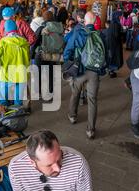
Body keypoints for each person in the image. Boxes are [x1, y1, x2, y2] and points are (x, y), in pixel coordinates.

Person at [63, 11, 104, 140]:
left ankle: (72, 116)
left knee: (75, 93)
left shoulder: (79, 32)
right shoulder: (100, 35)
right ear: (95, 21)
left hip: (79, 69)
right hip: (94, 71)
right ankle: (90, 130)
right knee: (92, 100)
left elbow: (68, 50)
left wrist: (67, 62)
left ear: (84, 21)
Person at [0, 20, 30, 107]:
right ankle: (17, 115)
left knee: (3, 100)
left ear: (5, 30)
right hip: (21, 75)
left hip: (5, 75)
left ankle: (4, 115)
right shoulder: (24, 43)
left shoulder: (1, 44)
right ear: (16, 29)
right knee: (18, 100)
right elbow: (27, 59)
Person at [32, 11, 64, 96]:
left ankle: (38, 92)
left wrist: (31, 55)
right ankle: (51, 92)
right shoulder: (59, 28)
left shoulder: (41, 28)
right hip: (54, 55)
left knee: (37, 73)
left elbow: (35, 42)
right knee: (51, 74)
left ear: (44, 18)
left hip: (41, 54)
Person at [104, 11, 123, 78]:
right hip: (114, 45)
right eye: (120, 16)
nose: (121, 17)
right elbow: (116, 35)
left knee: (111, 57)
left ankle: (111, 71)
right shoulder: (116, 24)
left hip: (111, 44)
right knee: (114, 58)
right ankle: (111, 72)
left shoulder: (113, 23)